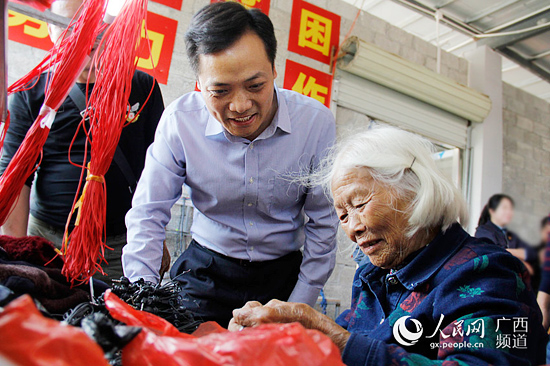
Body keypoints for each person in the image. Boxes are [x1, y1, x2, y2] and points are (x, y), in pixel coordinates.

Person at [229, 125, 546, 365]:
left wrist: (332, 337)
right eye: (342, 215)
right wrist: (283, 330)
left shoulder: (485, 274)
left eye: (360, 203)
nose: (353, 228)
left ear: (414, 187)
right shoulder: (376, 277)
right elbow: (348, 334)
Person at [122, 2, 338, 328]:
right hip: (205, 269)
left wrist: (297, 307)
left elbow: (324, 223)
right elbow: (148, 212)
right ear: (199, 82)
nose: (240, 106)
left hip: (283, 277)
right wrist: (142, 296)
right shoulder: (181, 121)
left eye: (256, 86)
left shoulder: (315, 123)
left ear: (273, 70)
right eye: (220, 91)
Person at [0, 0, 164, 281]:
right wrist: (16, 255)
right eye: (73, 29)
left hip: (121, 247)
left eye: (99, 31)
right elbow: (17, 179)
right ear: (51, 28)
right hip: (48, 243)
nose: (88, 45)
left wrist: (153, 241)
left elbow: (161, 170)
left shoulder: (141, 87)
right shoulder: (32, 93)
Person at [475, 194, 537, 275]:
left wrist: (507, 251)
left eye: (511, 208)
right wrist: (521, 260)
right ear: (492, 211)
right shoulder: (483, 231)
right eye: (504, 208)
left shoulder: (513, 232)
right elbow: (494, 253)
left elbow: (531, 253)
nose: (509, 212)